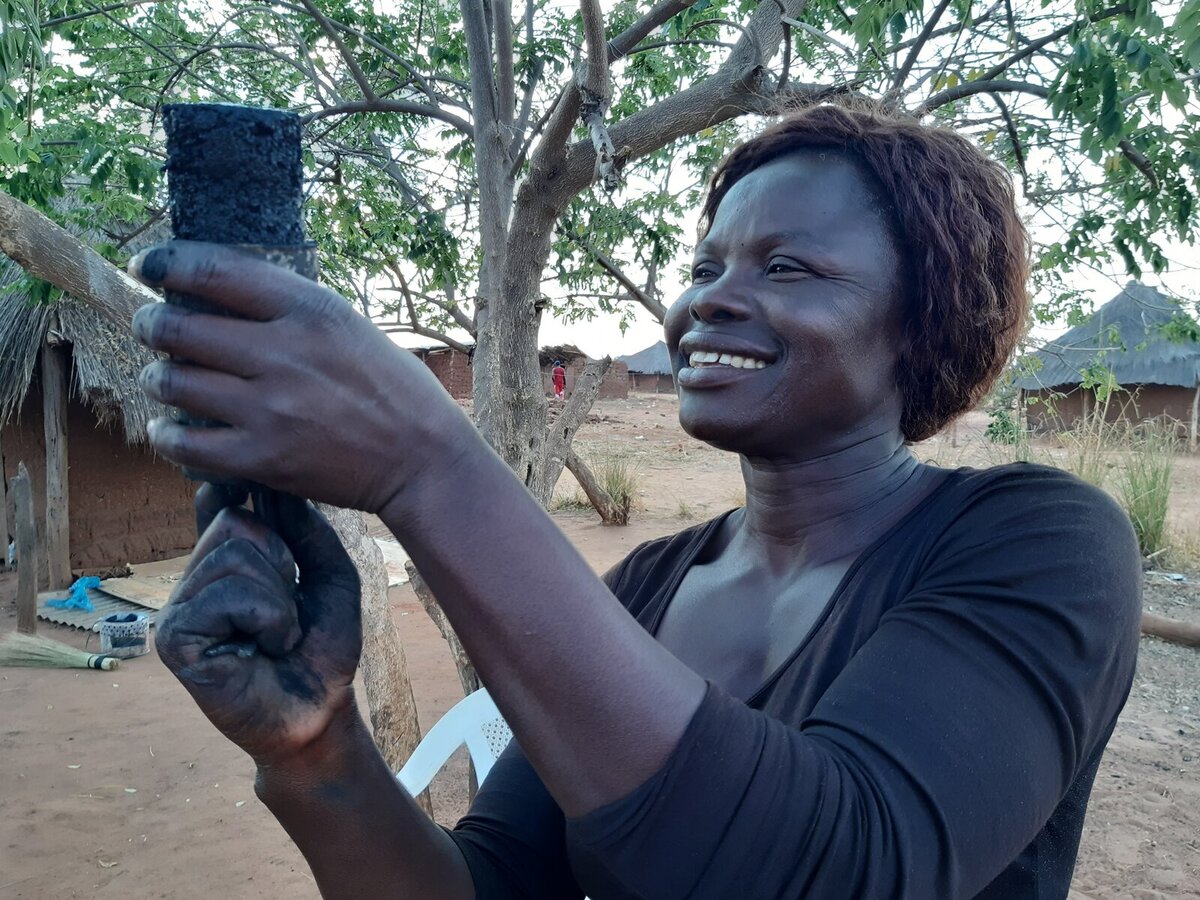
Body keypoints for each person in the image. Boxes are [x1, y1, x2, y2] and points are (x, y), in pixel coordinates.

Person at [129, 104, 1140, 899]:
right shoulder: (648, 589)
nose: (709, 300)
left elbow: (840, 872)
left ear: (923, 321)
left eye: (787, 267)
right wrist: (316, 751)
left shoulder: (1037, 542)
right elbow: (492, 889)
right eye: (706, 267)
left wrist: (428, 463)